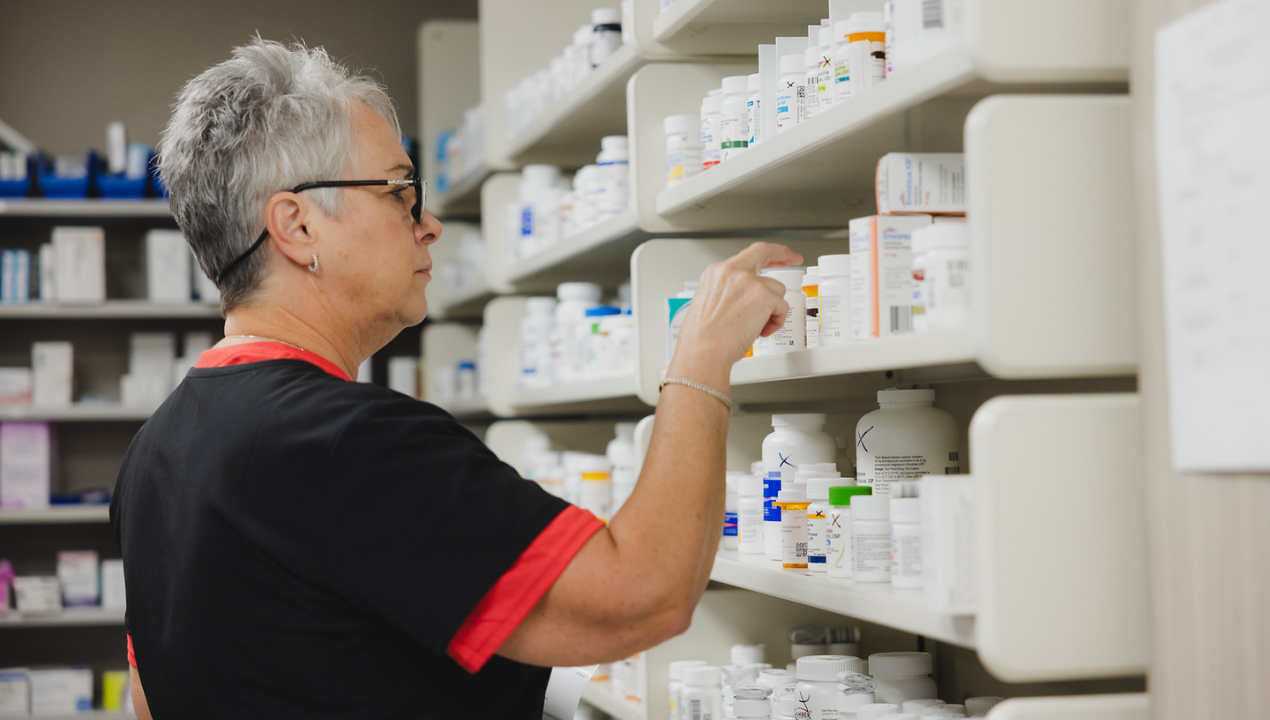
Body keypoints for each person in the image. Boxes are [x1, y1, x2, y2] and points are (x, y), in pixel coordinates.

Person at [111, 38, 802, 720]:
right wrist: (701, 352)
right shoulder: (347, 442)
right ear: (296, 226)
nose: (430, 225)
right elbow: (645, 596)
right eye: (399, 193)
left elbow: (152, 699)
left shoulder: (154, 452)